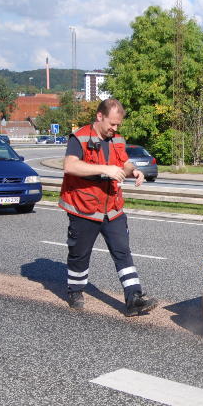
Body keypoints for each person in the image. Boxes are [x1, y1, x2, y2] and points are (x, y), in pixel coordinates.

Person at [58, 98, 158, 317]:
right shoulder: (80, 137)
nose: (115, 128)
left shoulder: (117, 139)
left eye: (118, 125)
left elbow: (124, 163)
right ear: (99, 116)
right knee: (79, 254)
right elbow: (70, 165)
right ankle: (75, 290)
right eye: (112, 124)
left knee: (123, 252)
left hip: (112, 207)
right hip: (83, 207)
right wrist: (105, 169)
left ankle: (133, 298)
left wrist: (134, 171)